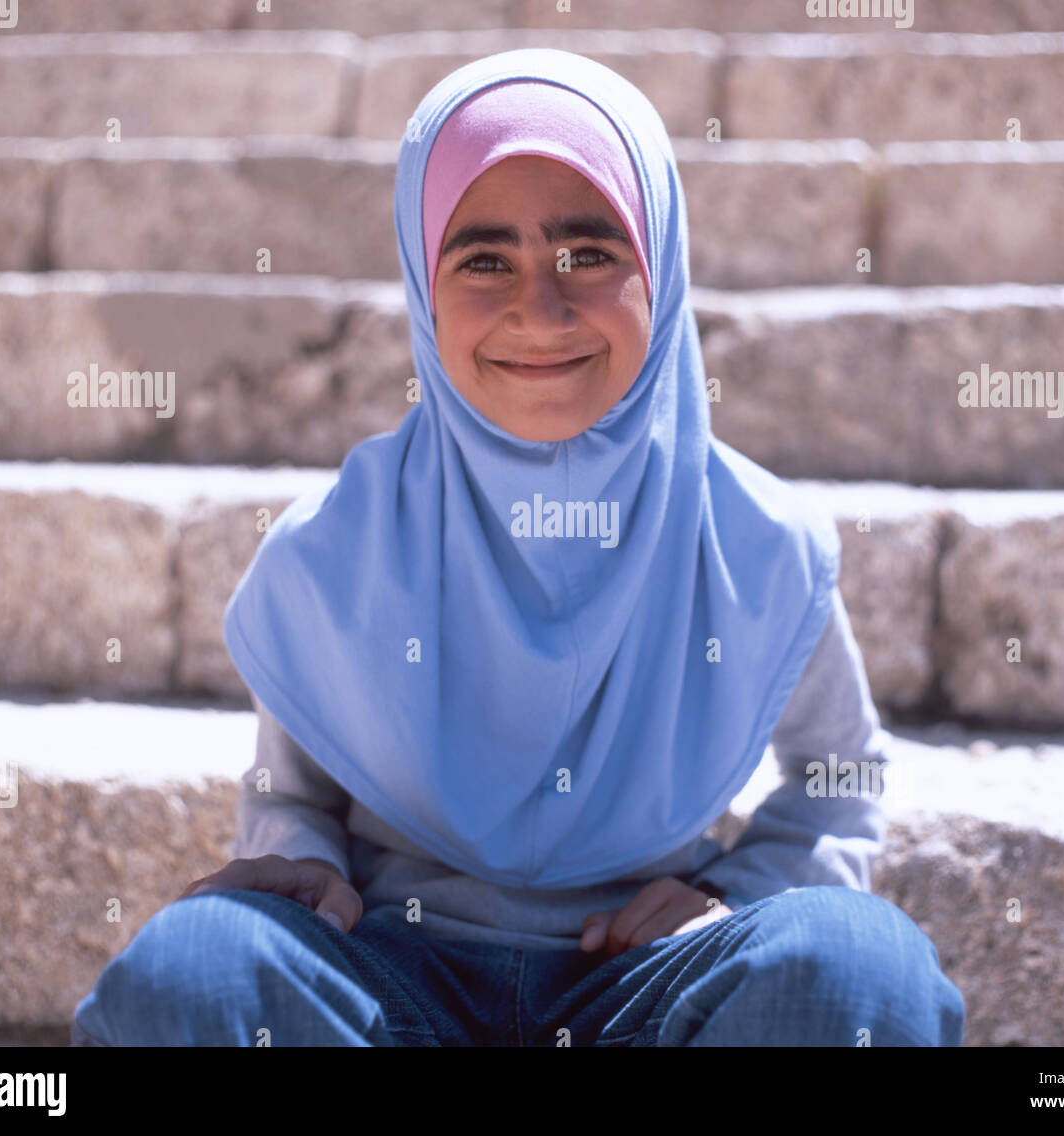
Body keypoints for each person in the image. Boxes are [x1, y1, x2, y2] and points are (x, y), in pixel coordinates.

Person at [71, 48, 964, 1047]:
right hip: (382, 970)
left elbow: (839, 772)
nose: (540, 312)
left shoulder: (753, 542)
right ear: (422, 282)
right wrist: (298, 862)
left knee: (856, 967)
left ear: (659, 267)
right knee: (190, 970)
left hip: (646, 979)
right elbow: (297, 786)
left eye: (589, 253)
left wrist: (736, 891)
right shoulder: (341, 545)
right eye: (485, 259)